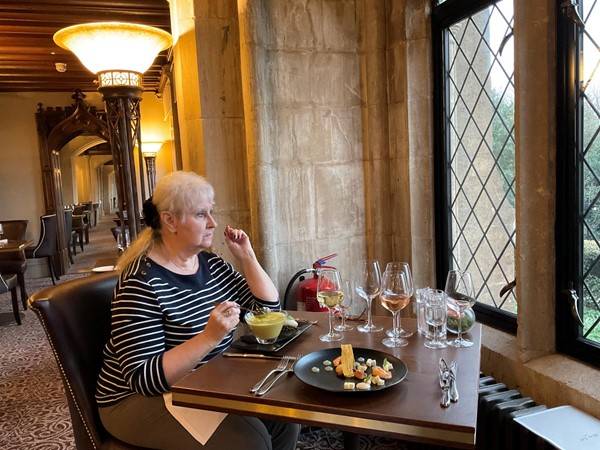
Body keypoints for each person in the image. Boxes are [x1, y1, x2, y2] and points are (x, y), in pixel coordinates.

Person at [96, 171, 300, 450]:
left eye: (211, 213)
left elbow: (267, 311)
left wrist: (247, 257)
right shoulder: (141, 283)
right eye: (201, 214)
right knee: (251, 442)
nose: (214, 223)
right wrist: (209, 338)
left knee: (286, 417)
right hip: (135, 400)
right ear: (169, 220)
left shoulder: (209, 263)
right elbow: (144, 379)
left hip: (202, 382)